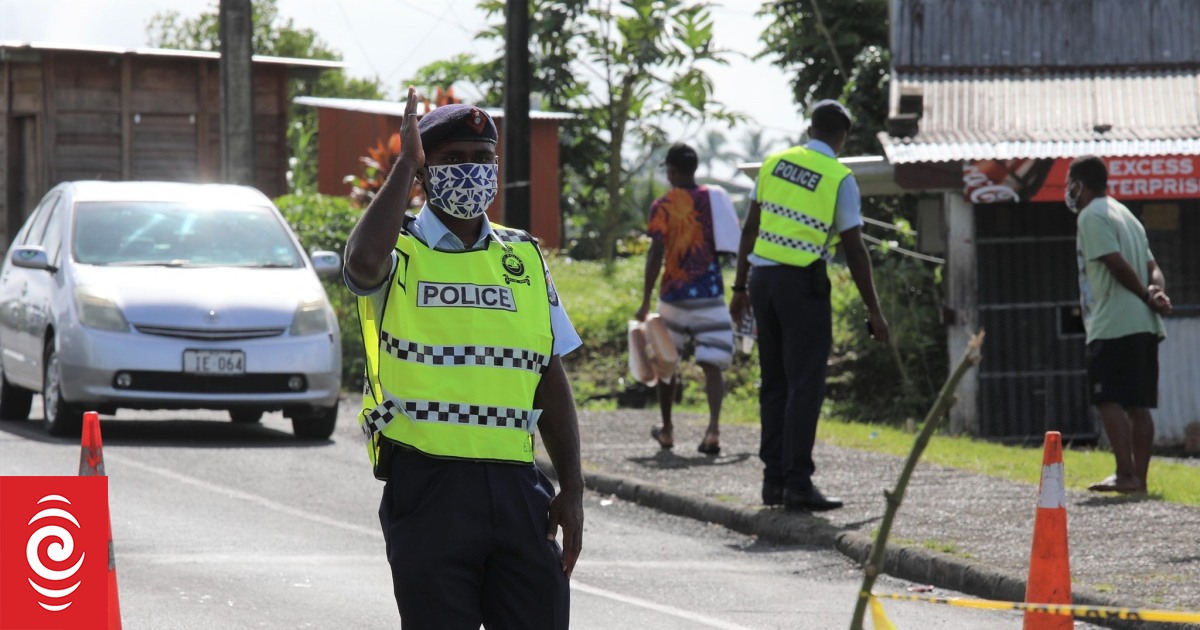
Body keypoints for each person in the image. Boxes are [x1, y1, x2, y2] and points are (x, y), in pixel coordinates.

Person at [343, 87, 584, 629]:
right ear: (426, 174)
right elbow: (360, 264)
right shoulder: (397, 247)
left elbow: (549, 374)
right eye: (453, 160)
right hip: (429, 486)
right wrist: (406, 163)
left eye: (482, 160)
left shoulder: (522, 255)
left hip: (518, 484)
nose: (471, 171)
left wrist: (572, 487)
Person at [729, 100, 890, 512]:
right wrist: (874, 309)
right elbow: (854, 250)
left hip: (763, 282)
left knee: (776, 382)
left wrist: (740, 286)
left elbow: (751, 227)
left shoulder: (773, 164)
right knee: (805, 385)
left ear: (809, 129)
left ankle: (774, 483)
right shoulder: (839, 177)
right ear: (843, 136)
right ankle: (798, 483)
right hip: (801, 284)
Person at [1067, 155, 1171, 494]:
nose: (1069, 191)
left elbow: (1113, 261)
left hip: (1113, 321)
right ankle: (1138, 480)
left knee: (1106, 397)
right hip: (1144, 322)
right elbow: (1153, 265)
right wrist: (1156, 292)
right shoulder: (1126, 215)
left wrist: (1144, 294)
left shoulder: (1090, 216)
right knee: (1137, 404)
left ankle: (1125, 474)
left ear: (1080, 184)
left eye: (1071, 184)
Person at [636, 142, 742, 455]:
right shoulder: (715, 199)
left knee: (666, 364)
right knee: (713, 365)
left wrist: (645, 301)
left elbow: (656, 253)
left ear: (670, 171)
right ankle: (713, 431)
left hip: (673, 297)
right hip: (710, 295)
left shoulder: (663, 205)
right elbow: (731, 246)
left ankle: (667, 431)